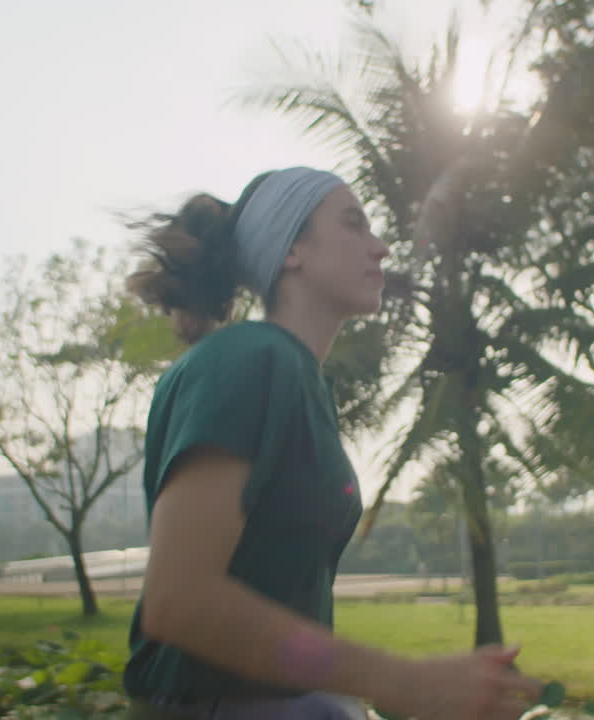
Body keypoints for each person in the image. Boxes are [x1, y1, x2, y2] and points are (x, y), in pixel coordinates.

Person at [123, 167, 541, 720]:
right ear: (293, 248)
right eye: (354, 225)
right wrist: (404, 682)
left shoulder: (293, 375)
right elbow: (179, 602)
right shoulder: (250, 358)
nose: (381, 247)